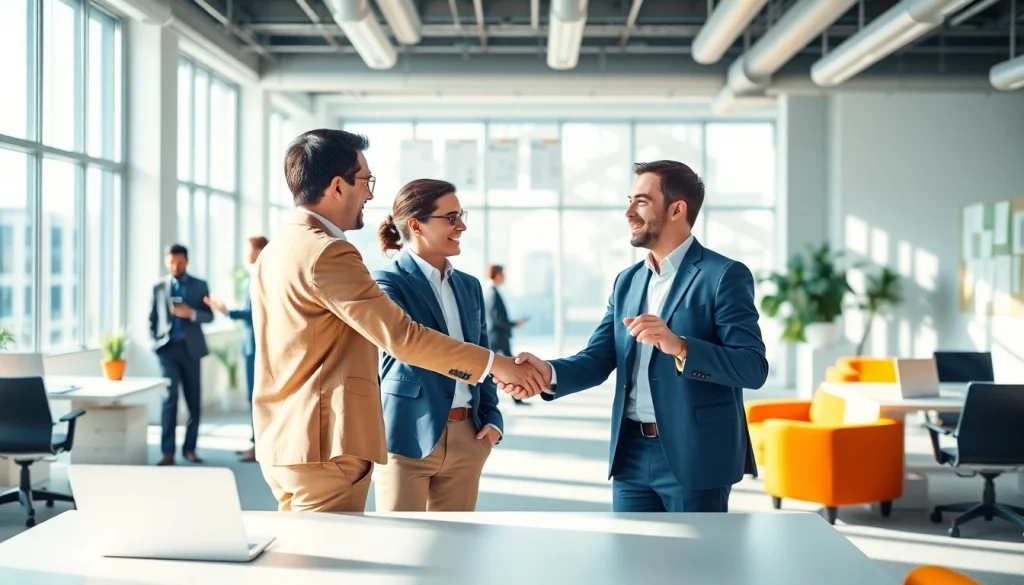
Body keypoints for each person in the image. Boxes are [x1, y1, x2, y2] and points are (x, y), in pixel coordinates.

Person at [249, 129, 544, 513]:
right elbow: (402, 337)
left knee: (304, 559)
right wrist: (496, 365)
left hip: (285, 438)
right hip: (324, 442)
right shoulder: (329, 252)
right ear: (338, 187)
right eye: (365, 181)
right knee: (328, 566)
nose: (370, 194)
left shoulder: (278, 249)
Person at [504, 160, 768, 513]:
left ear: (677, 209)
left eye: (641, 201)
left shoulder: (723, 275)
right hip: (630, 455)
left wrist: (680, 347)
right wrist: (546, 375)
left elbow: (752, 367)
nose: (628, 211)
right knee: (629, 562)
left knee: (696, 567)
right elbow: (598, 358)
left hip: (695, 454)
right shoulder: (627, 281)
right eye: (630, 200)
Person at [371, 179, 503, 512]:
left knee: (456, 552)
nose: (462, 226)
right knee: (401, 547)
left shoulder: (470, 286)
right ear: (416, 224)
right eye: (451, 217)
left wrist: (492, 420)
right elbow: (411, 344)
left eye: (461, 215)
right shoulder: (387, 282)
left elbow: (482, 353)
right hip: (406, 435)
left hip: (468, 437)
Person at [204, 235, 268, 462]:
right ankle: (255, 443)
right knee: (254, 397)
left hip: (258, 346)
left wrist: (226, 311)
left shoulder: (262, 275)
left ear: (259, 250)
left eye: (249, 249)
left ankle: (259, 447)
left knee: (256, 397)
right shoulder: (258, 274)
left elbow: (255, 312)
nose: (246, 254)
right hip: (251, 344)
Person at [149, 244, 214, 466]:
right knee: (169, 400)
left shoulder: (199, 285)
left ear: (187, 261)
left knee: (193, 401)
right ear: (166, 262)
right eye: (171, 262)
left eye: (179, 262)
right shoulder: (158, 286)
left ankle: (190, 449)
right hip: (167, 350)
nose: (175, 266)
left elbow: (209, 316)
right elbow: (151, 318)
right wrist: (154, 341)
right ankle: (167, 452)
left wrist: (191, 313)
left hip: (191, 350)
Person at [484, 265, 529, 404]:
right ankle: (516, 398)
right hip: (498, 337)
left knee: (490, 369)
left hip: (497, 336)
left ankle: (516, 398)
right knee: (508, 367)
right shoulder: (493, 293)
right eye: (503, 274)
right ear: (497, 275)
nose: (505, 277)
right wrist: (515, 324)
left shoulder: (492, 292)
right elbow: (498, 319)